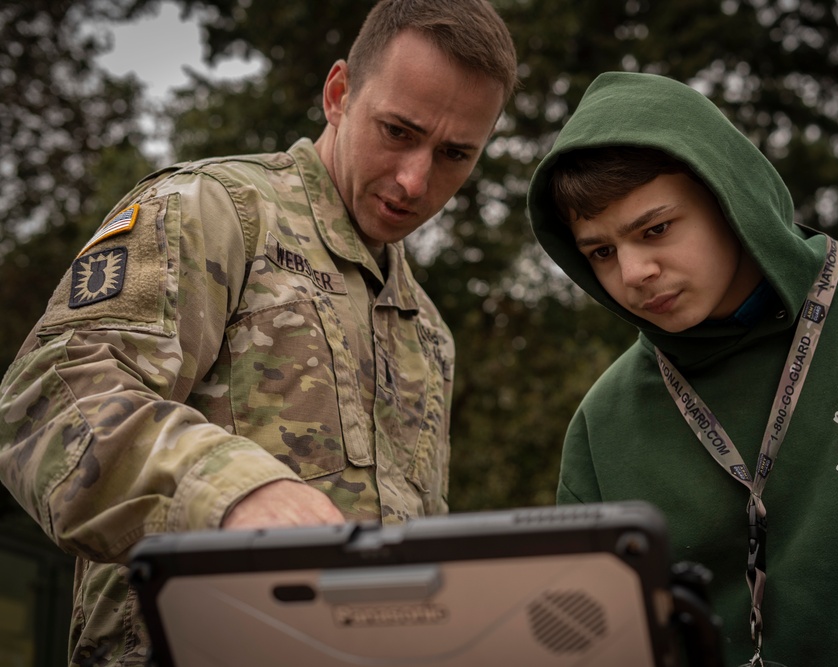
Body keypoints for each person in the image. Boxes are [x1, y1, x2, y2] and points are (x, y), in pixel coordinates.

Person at [0, 0, 517, 663]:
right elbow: (43, 399)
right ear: (338, 94)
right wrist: (233, 491)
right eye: (396, 131)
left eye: (454, 154)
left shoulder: (428, 331)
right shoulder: (216, 213)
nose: (417, 179)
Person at [527, 71, 838, 667]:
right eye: (601, 251)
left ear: (732, 200)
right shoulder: (604, 423)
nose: (633, 272)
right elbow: (584, 641)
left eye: (656, 229)